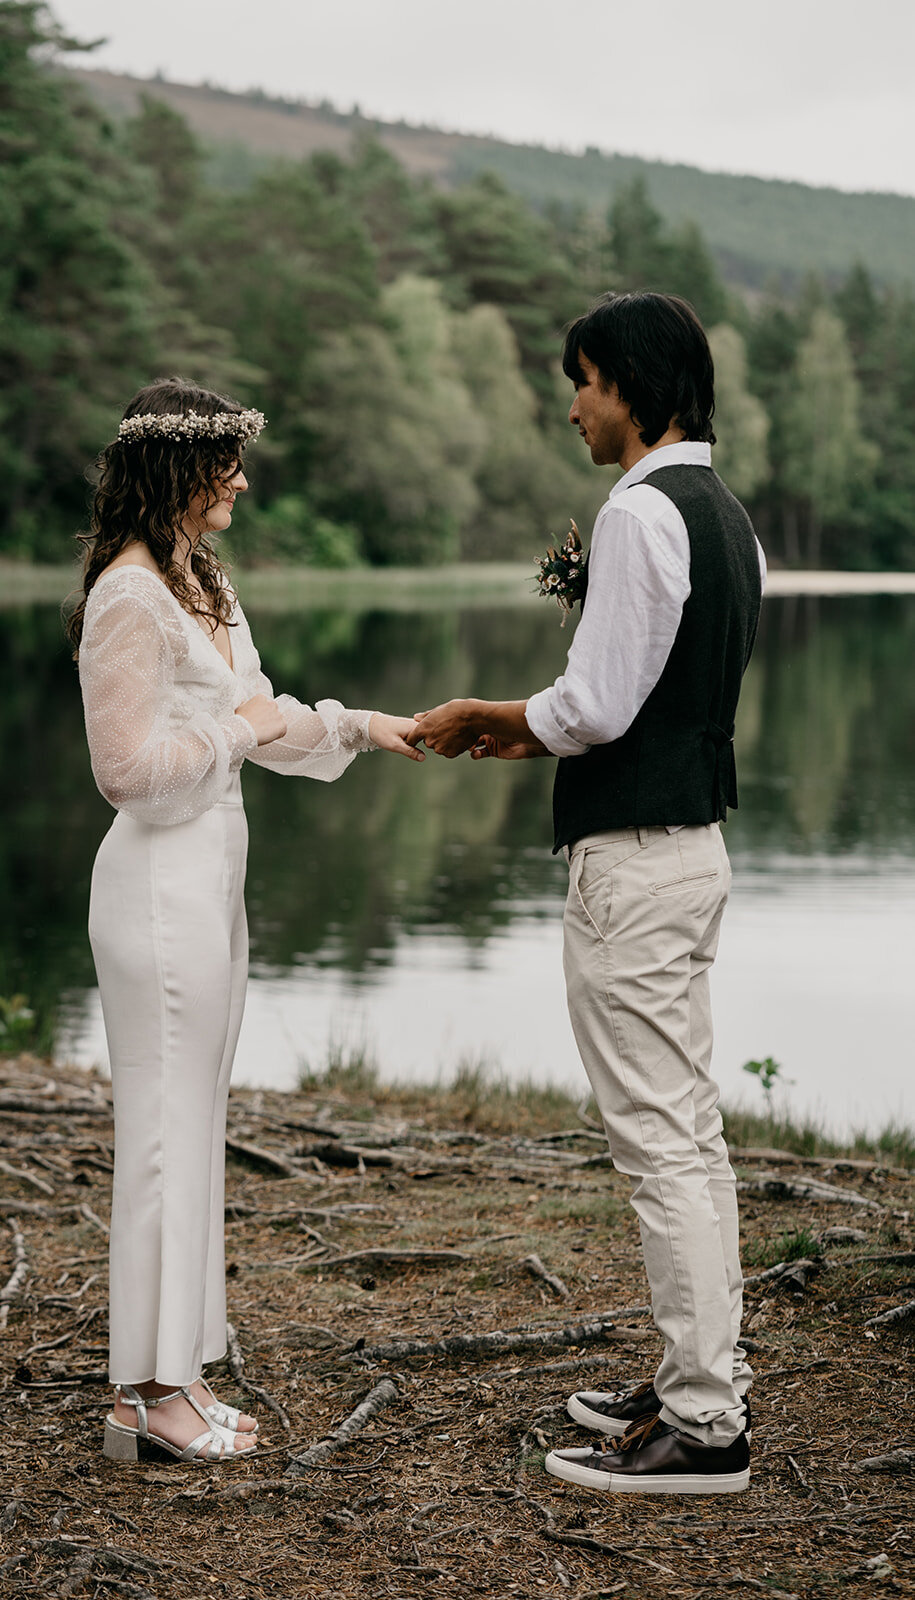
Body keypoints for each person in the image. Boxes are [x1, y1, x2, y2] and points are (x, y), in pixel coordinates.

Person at [411, 292, 764, 1495]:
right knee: (688, 1132)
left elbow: (597, 706)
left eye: (583, 381)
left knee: (659, 1141)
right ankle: (691, 1377)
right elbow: (655, 697)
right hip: (692, 849)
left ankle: (704, 1426)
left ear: (632, 386)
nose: (570, 406)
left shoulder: (636, 514)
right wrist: (546, 734)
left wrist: (495, 719)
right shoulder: (724, 515)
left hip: (633, 864)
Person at [67, 379, 423, 1466]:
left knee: (193, 1128)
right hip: (156, 888)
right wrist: (235, 731)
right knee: (163, 1139)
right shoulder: (129, 596)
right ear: (178, 469)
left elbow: (260, 712)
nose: (243, 480)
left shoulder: (199, 582)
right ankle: (147, 1394)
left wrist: (363, 727)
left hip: (210, 878)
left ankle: (170, 1378)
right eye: (227, 461)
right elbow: (125, 771)